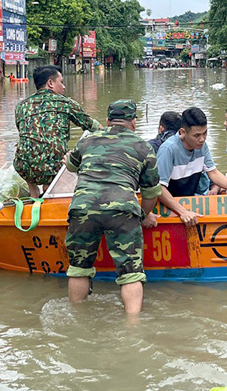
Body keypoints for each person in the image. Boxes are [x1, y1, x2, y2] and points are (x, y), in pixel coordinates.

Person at [64, 100, 161, 314]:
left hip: (82, 208)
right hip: (122, 209)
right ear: (134, 122)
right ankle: (133, 326)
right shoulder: (144, 147)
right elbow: (152, 193)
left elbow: (70, 165)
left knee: (79, 268)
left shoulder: (88, 140)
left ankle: (77, 318)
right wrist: (142, 215)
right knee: (131, 273)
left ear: (108, 121)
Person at [156, 107, 227, 225]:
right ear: (183, 132)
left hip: (188, 203)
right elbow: (159, 189)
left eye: (205, 133)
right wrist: (183, 212)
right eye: (197, 135)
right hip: (169, 207)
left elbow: (213, 173)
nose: (202, 139)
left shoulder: (201, 146)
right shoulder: (168, 149)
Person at [14, 65, 101, 197]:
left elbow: (24, 133)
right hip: (53, 166)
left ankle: (34, 195)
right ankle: (49, 194)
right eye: (61, 82)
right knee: (57, 163)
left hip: (23, 166)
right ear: (50, 83)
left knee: (31, 156)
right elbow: (92, 126)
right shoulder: (65, 103)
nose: (64, 87)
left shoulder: (21, 106)